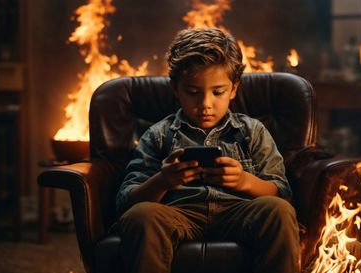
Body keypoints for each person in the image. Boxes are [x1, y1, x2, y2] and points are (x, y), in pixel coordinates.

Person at [116, 27, 300, 273]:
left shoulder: (251, 131)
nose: (205, 104)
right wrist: (162, 181)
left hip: (238, 212)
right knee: (141, 216)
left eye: (218, 92)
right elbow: (127, 201)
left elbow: (281, 191)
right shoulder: (159, 134)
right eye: (192, 92)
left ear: (234, 89)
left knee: (279, 211)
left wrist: (245, 182)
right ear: (175, 89)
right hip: (178, 214)